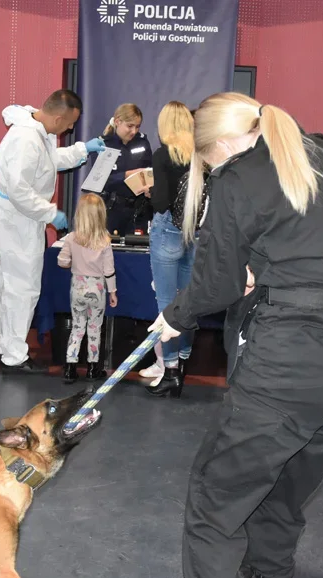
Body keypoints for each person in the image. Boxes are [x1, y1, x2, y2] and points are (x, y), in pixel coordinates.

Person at [145, 92, 323, 578]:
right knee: (283, 490)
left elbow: (216, 283)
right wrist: (267, 270)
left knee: (215, 498)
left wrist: (175, 314)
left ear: (220, 146)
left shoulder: (237, 177)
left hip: (287, 365)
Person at [0, 89, 106, 373]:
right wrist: (51, 213)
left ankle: (4, 346)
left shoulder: (38, 129)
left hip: (14, 216)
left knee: (6, 283)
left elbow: (49, 161)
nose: (70, 129)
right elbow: (19, 190)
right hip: (17, 218)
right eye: (68, 124)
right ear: (56, 117)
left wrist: (82, 150)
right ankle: (14, 355)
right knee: (21, 287)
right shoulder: (26, 139)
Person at [144, 101, 198, 396]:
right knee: (188, 301)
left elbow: (162, 202)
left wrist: (149, 192)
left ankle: (171, 371)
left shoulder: (163, 155)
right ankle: (185, 363)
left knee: (166, 302)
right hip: (195, 232)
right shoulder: (200, 155)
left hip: (167, 231)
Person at [58, 193, 117, 384]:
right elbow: (109, 270)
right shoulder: (105, 240)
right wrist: (113, 292)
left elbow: (62, 261)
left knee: (77, 326)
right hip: (98, 289)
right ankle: (93, 368)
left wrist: (71, 264)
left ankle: (70, 367)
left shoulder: (71, 238)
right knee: (94, 327)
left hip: (77, 287)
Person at [97, 103, 153, 235]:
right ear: (117, 121)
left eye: (137, 127)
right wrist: (126, 175)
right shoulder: (104, 144)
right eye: (130, 126)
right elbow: (99, 180)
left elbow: (150, 171)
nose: (134, 131)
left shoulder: (142, 142)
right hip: (112, 209)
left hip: (138, 210)